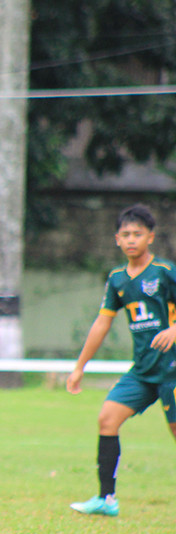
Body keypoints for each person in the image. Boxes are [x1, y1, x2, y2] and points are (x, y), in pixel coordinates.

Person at [67, 203, 176, 517]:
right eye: (125, 234)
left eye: (137, 234)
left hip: (172, 370)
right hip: (143, 370)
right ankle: (106, 499)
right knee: (107, 419)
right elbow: (102, 323)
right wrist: (79, 367)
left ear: (150, 237)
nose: (131, 239)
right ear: (116, 239)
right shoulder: (117, 279)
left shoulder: (165, 272)